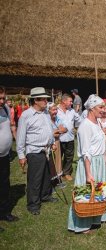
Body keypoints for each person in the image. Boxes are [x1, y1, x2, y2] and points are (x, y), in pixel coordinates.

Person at [68, 94, 106, 234]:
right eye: (100, 107)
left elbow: (100, 142)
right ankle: (83, 224)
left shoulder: (98, 122)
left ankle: (100, 217)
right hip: (90, 164)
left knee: (101, 191)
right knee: (87, 193)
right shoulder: (85, 126)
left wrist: (104, 157)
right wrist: (88, 173)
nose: (104, 110)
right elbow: (86, 152)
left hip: (99, 161)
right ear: (91, 109)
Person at [16, 87, 58, 215]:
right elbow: (20, 137)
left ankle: (45, 195)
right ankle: (33, 204)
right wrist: (21, 155)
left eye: (46, 99)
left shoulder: (45, 113)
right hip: (34, 151)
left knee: (46, 175)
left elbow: (49, 128)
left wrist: (52, 143)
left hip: (46, 150)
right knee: (35, 179)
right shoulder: (26, 115)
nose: (46, 101)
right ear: (36, 100)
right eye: (44, 99)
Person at [0, 86, 19, 231]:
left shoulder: (6, 108)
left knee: (4, 185)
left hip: (5, 156)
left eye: (3, 98)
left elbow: (12, 126)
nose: (2, 101)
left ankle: (5, 212)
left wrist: (18, 142)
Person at [57, 94, 81, 181]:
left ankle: (66, 173)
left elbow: (79, 120)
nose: (71, 103)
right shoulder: (56, 110)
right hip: (58, 139)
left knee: (69, 156)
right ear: (64, 101)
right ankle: (58, 174)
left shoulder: (72, 111)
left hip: (70, 138)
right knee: (58, 157)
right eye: (70, 101)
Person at [47, 102, 67, 187]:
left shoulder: (57, 118)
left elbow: (64, 129)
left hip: (57, 141)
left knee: (58, 160)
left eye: (56, 110)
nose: (55, 112)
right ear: (48, 111)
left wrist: (56, 131)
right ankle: (50, 181)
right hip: (48, 143)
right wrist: (55, 132)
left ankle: (57, 180)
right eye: (53, 110)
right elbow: (48, 133)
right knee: (50, 161)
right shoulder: (46, 119)